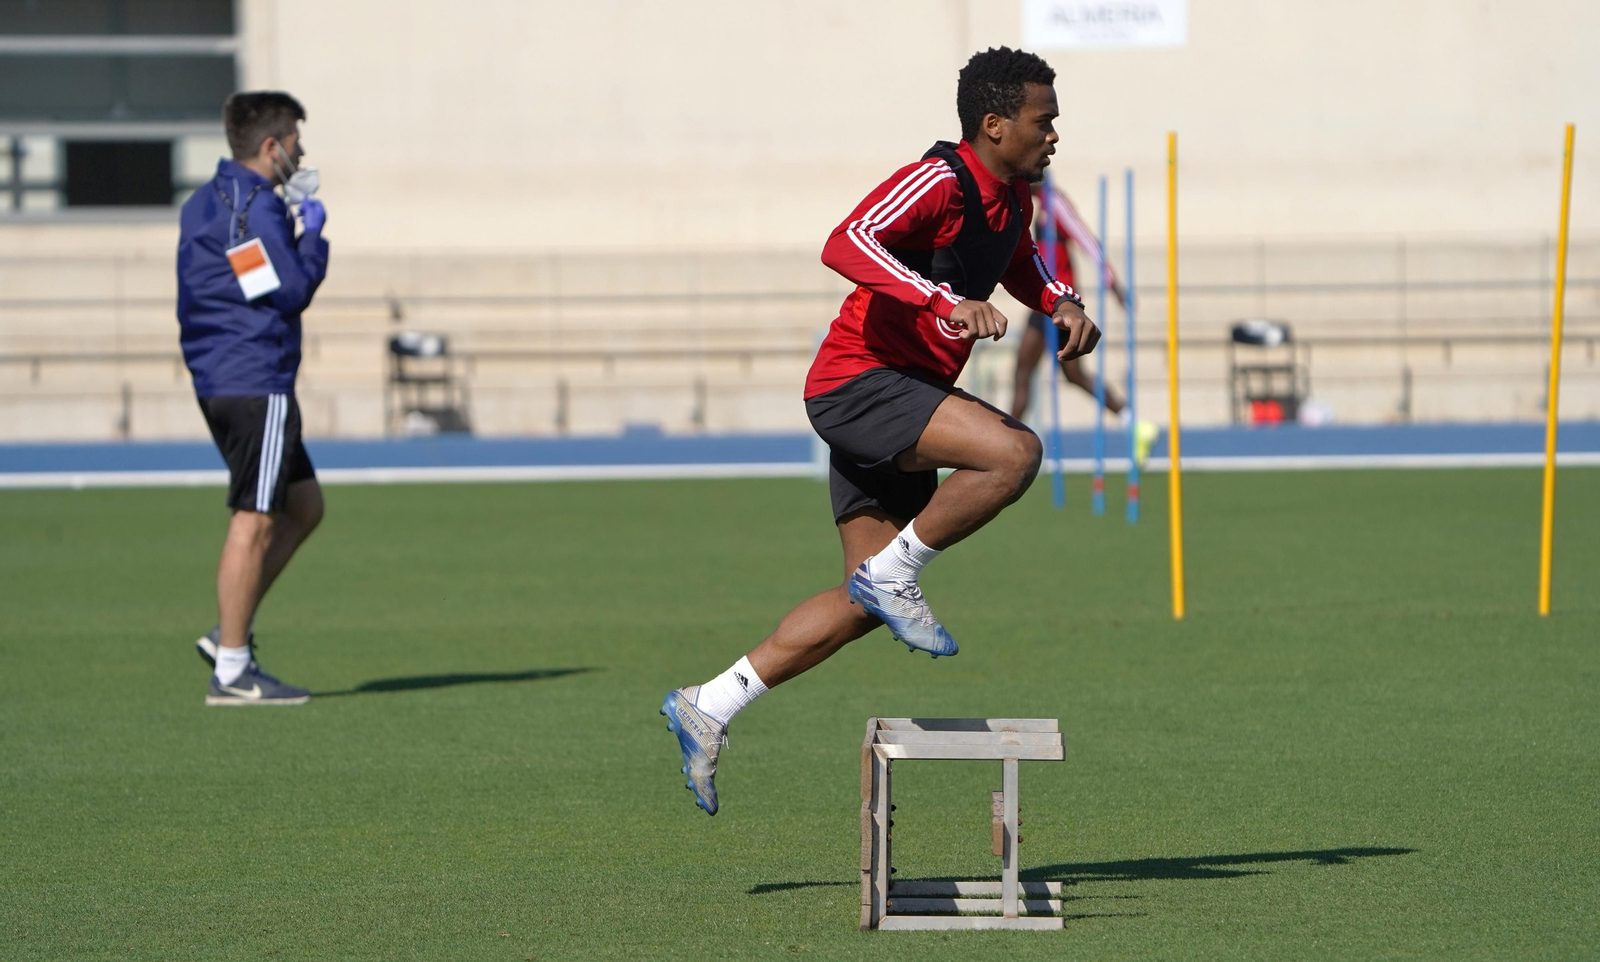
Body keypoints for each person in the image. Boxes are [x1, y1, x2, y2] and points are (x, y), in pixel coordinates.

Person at [661, 47, 1098, 815]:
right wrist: (941, 302)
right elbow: (846, 241)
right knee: (1014, 454)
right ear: (994, 126)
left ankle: (710, 703)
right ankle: (896, 574)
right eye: (1044, 120)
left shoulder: (1013, 199)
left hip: (902, 394)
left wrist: (1059, 300)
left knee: (862, 602)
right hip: (860, 385)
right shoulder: (941, 178)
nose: (1055, 134)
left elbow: (1018, 260)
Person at [176, 91, 329, 706]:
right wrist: (313, 235)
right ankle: (233, 670)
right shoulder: (255, 206)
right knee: (256, 516)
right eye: (295, 140)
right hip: (253, 377)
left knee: (304, 505)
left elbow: (246, 280)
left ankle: (228, 635)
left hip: (223, 375)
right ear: (271, 147)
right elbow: (288, 291)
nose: (302, 151)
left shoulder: (207, 200)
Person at [1009, 186, 1160, 466]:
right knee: (1073, 374)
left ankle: (1005, 443)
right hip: (1046, 301)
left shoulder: (1055, 202)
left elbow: (1086, 240)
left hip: (1057, 303)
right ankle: (1134, 422)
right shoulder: (1037, 203)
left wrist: (1113, 284)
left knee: (1023, 369)